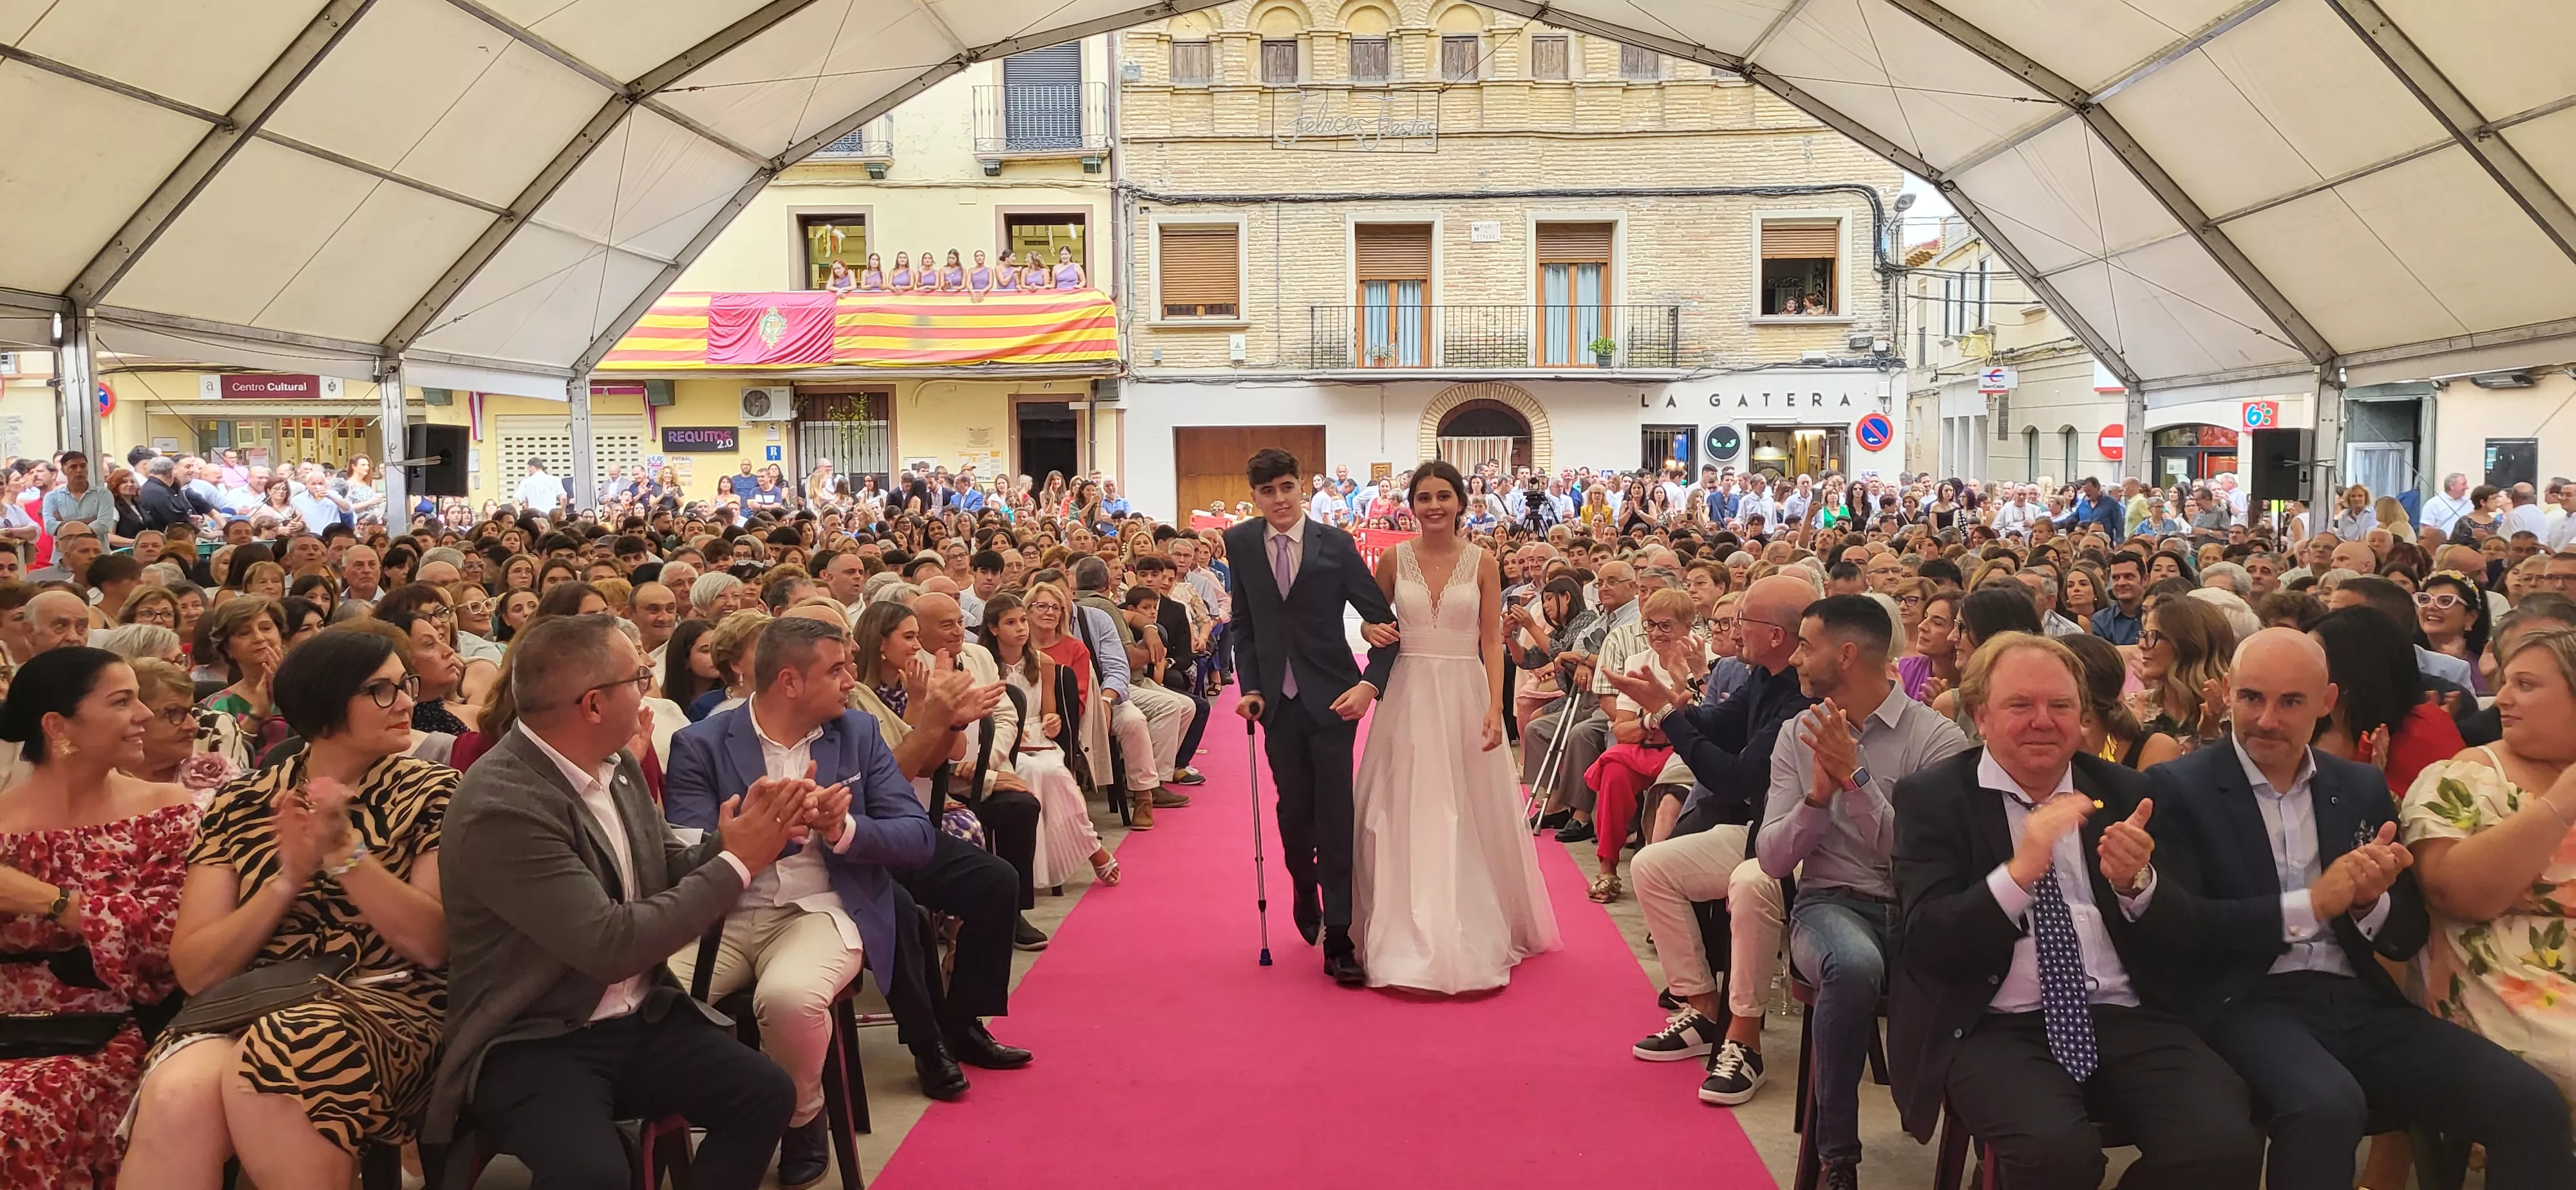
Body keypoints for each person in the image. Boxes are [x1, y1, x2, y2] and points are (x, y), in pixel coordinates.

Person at [2152, 628, 2574, 1189]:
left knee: (2528, 1100)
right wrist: (2312, 904)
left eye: (2291, 702)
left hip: (2358, 998)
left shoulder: (2356, 786)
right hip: (2248, 998)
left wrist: (2371, 901)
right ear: (2227, 692)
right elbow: (2185, 930)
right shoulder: (2178, 787)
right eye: (2252, 698)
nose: (2267, 719)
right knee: (2328, 1106)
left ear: (2327, 703)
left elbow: (2405, 934)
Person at [426, 614, 799, 1189]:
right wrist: (736, 863)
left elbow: (662, 872)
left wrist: (742, 837)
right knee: (595, 1173)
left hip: (636, 1017)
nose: (650, 688)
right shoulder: (502, 806)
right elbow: (611, 945)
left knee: (765, 1093)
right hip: (534, 1036)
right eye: (640, 677)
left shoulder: (614, 763)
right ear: (595, 705)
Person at [1888, 632, 2262, 1187]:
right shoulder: (1935, 799)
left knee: (2225, 1144)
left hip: (2124, 1013)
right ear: (1979, 715)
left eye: (2060, 706)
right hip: (1992, 1022)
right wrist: (2018, 874)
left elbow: (2190, 934)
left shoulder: (2124, 790)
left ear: (2084, 718)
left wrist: (2139, 885)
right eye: (2021, 705)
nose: (2044, 720)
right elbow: (1927, 942)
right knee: (2055, 1154)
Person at [123, 630, 453, 1189]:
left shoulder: (434, 790)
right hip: (252, 1001)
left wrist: (345, 854)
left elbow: (431, 944)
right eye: (381, 690)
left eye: (405, 686)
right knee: (177, 1094)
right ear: (324, 705)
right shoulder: (244, 801)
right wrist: (287, 881)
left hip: (390, 1000)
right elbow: (197, 970)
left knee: (285, 1050)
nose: (405, 703)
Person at [663, 616, 938, 1187]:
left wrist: (843, 829)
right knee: (654, 995)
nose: (849, 680)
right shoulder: (701, 743)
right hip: (722, 913)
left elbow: (917, 836)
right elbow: (680, 855)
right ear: (789, 681)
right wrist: (742, 841)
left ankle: (801, 1116)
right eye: (836, 670)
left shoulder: (858, 734)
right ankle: (708, 1116)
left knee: (789, 999)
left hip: (821, 908)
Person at [1757, 594, 1971, 1184]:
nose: (1796, 658)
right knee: (1851, 966)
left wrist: (1854, 780)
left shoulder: (1938, 740)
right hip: (1829, 905)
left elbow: (1921, 862)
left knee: (1983, 965)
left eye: (1807, 644)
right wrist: (1816, 799)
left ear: (1846, 654)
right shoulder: (1796, 734)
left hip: (1919, 910)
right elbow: (1772, 857)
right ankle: (1837, 1159)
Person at [1604, 573, 1819, 1106]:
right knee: (1653, 866)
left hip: (1808, 846)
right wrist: (1669, 705)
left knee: (1749, 882)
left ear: (1775, 634)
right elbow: (1721, 723)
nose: (1730, 628)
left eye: (1740, 619)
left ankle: (1743, 1039)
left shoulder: (1802, 694)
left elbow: (1732, 777)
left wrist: (1667, 714)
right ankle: (1700, 1007)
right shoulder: (1766, 675)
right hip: (1764, 830)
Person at [1350, 462, 1560, 994]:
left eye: (1445, 496)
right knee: (1406, 801)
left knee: (1468, 804)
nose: (1434, 505)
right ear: (1411, 505)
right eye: (1424, 497)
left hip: (1465, 689)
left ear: (1461, 502)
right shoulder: (1394, 559)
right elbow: (1371, 619)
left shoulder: (1484, 561)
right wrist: (1369, 627)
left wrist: (1496, 707)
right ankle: (1405, 918)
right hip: (1409, 689)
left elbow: (1492, 640)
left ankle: (1475, 915)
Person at [0, 648, 195, 1190]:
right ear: (58, 726)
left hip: (113, 1027)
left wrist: (46, 900)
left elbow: (163, 946)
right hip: (7, 1027)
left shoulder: (166, 810)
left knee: (13, 1117)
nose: (147, 716)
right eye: (123, 701)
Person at [1225, 448, 1399, 986]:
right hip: (1275, 703)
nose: (1279, 500)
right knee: (1293, 814)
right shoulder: (1240, 544)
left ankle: (1341, 936)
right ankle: (1304, 882)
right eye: (1267, 491)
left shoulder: (1337, 545)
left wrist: (1369, 684)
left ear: (1303, 488)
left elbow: (1385, 624)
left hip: (1333, 700)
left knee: (1335, 814)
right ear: (1254, 496)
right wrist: (1251, 686)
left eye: (1286, 488)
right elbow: (1245, 624)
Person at [2402, 625, 2576, 1127]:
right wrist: (2558, 806)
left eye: (2526, 685)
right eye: (2508, 682)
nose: (2501, 698)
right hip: (2496, 981)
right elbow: (2455, 893)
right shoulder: (2468, 775)